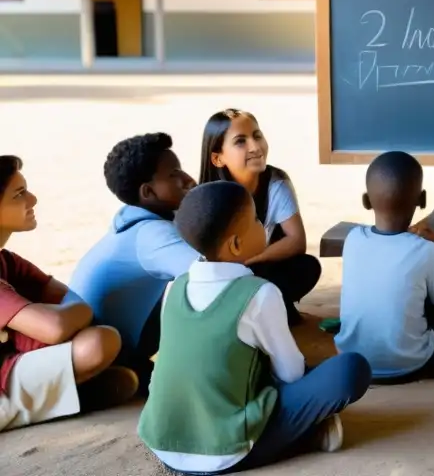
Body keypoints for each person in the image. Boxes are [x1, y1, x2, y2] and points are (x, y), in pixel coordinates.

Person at [138, 181, 371, 473]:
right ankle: (304, 435)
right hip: (226, 450)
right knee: (349, 369)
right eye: (257, 220)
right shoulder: (259, 294)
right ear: (236, 244)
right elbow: (290, 373)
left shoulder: (174, 287)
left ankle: (304, 431)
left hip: (163, 440)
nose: (263, 225)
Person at [1, 155, 137, 432]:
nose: (33, 200)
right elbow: (56, 326)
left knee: (103, 340)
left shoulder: (8, 261)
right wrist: (72, 316)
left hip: (10, 364)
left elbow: (68, 300)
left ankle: (53, 399)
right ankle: (19, 408)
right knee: (99, 342)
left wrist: (67, 317)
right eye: (19, 194)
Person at [69, 133, 198, 392]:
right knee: (211, 286)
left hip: (100, 345)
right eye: (174, 174)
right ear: (148, 192)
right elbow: (216, 274)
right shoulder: (151, 235)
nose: (189, 179)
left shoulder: (131, 221)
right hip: (105, 353)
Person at [334, 151, 434, 383]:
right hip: (412, 366)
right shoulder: (428, 250)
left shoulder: (352, 240)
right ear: (421, 200)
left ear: (366, 201)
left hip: (353, 361)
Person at [199, 109, 320, 325]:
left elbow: (296, 240)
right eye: (240, 142)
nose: (255, 147)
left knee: (307, 267)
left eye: (257, 136)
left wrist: (249, 260)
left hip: (257, 265)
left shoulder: (276, 182)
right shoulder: (209, 197)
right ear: (218, 158)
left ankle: (263, 310)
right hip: (223, 277)